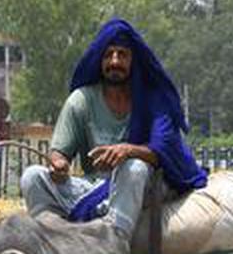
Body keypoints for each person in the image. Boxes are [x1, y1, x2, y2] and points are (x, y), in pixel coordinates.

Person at [20, 18, 207, 238]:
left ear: (133, 61)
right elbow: (60, 152)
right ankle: (53, 238)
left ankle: (115, 240)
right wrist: (59, 164)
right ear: (100, 60)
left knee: (135, 166)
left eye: (122, 54)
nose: (115, 61)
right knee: (32, 176)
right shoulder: (81, 100)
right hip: (92, 191)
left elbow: (163, 151)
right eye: (108, 54)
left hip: (138, 189)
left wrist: (128, 150)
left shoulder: (154, 99)